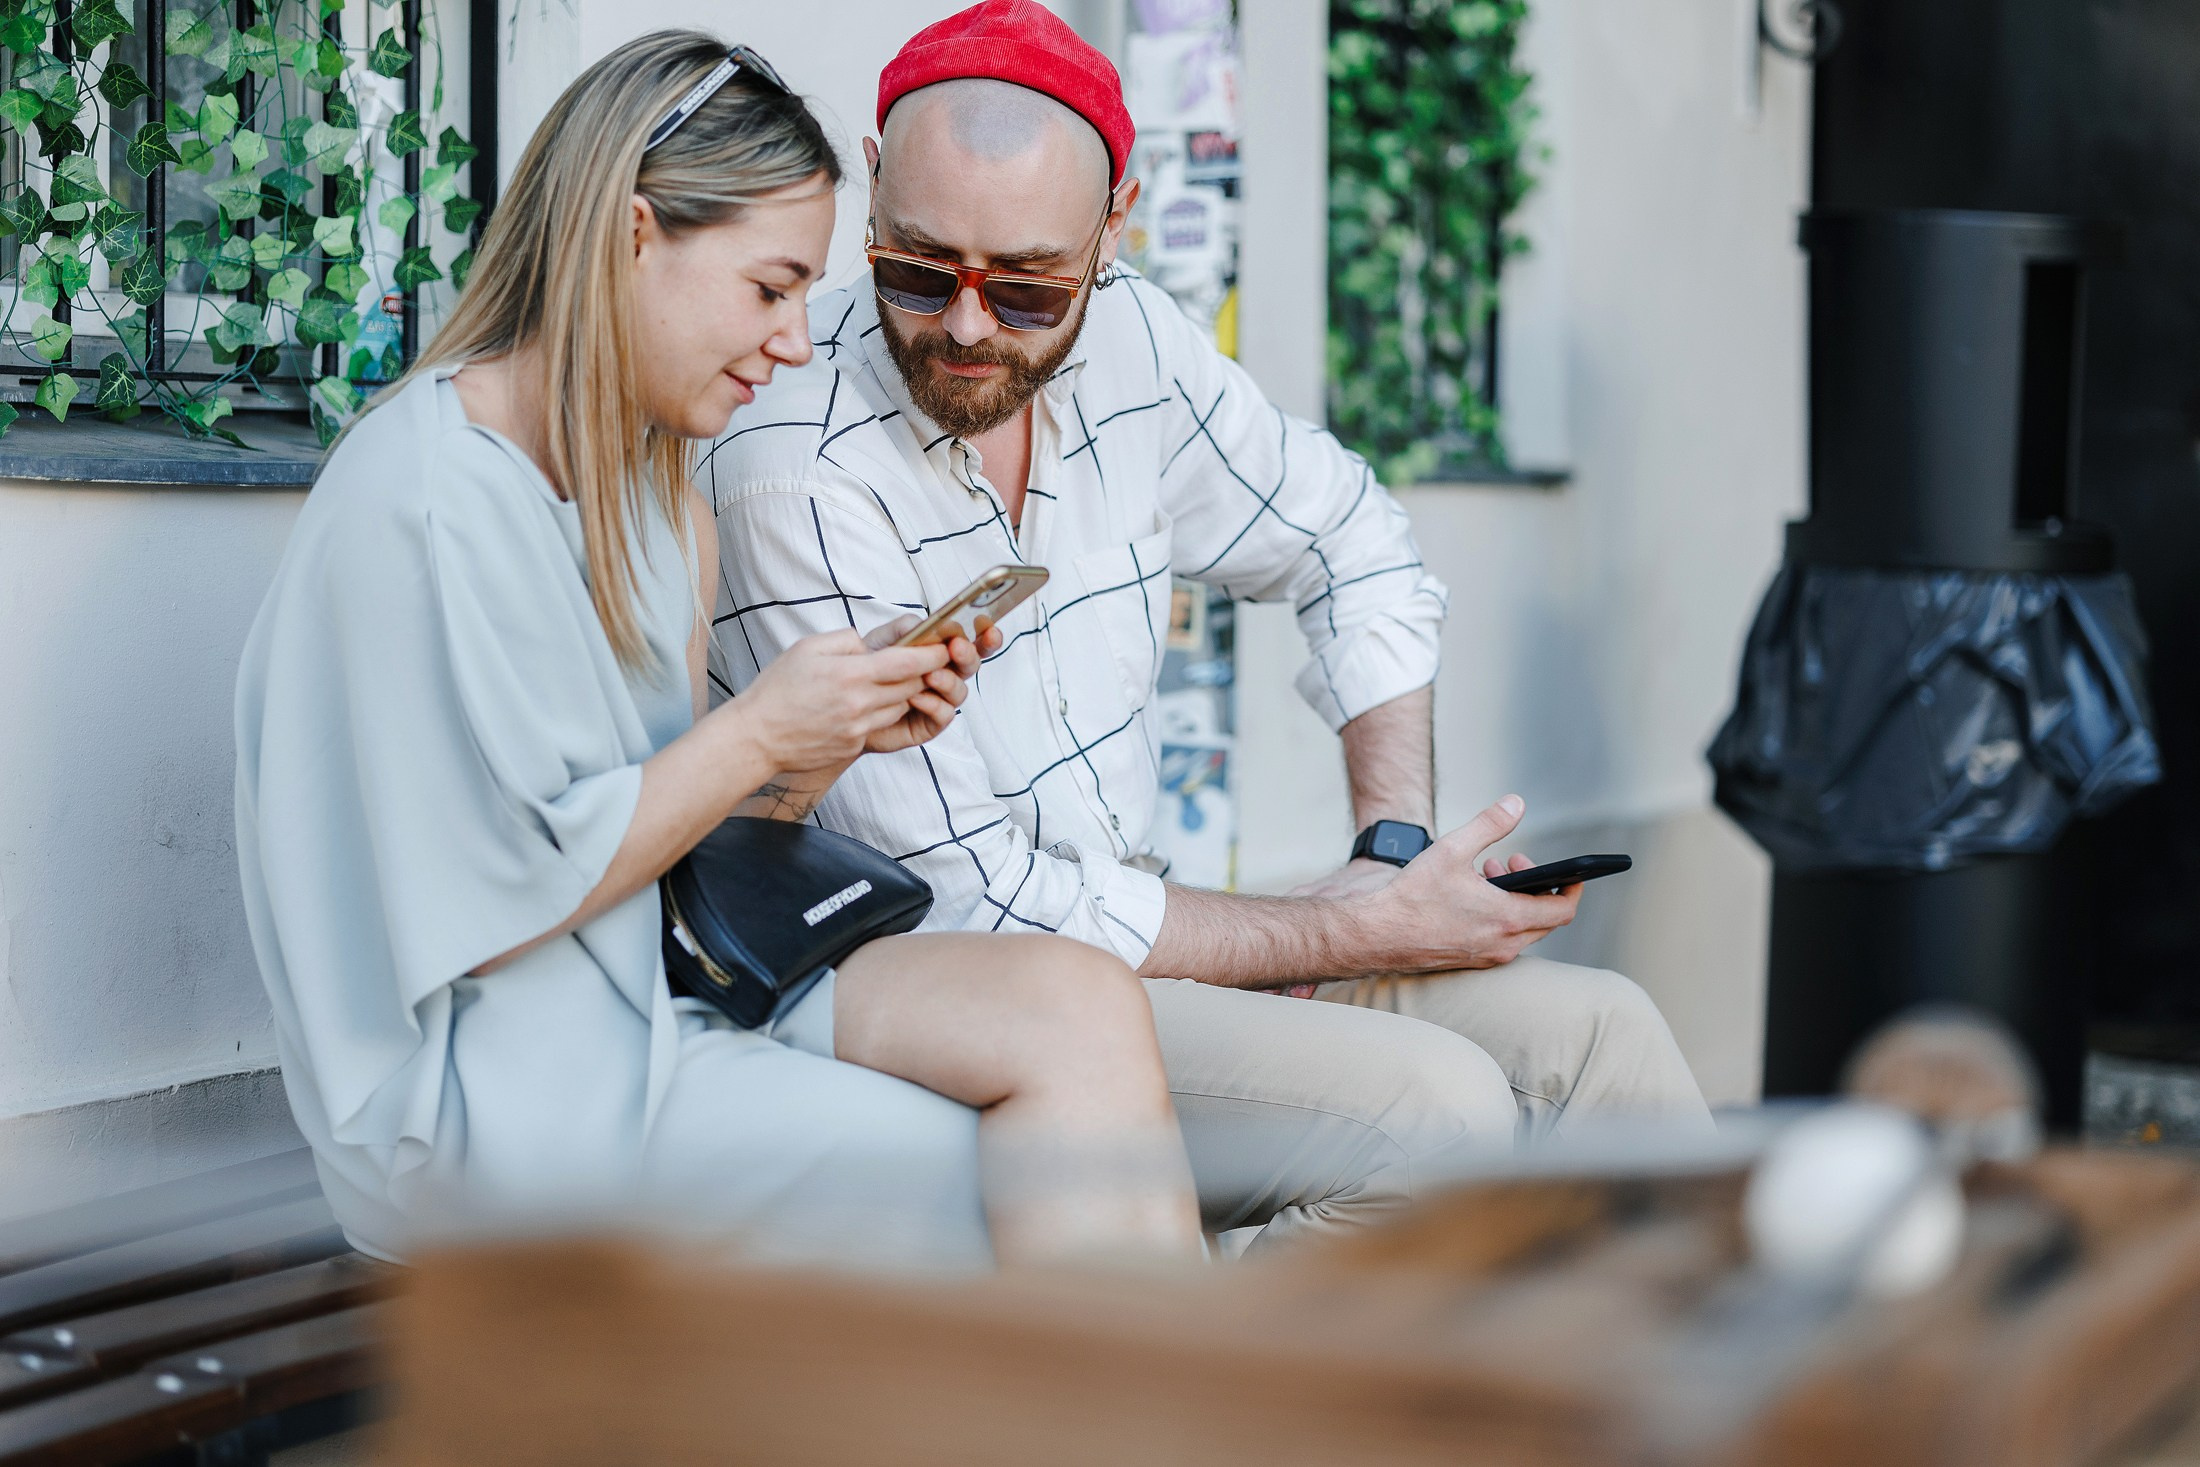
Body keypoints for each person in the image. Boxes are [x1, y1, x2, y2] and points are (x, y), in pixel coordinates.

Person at [703, 0, 1715, 1249]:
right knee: (1439, 1113)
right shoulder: (795, 465)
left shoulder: (1132, 341)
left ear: (1113, 225)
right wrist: (1339, 930)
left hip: (1134, 936)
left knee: (1599, 1038)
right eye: (917, 267)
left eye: (1026, 286)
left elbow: (1350, 540)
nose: (965, 325)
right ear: (872, 187)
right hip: (974, 982)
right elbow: (978, 904)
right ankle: (1179, 1387)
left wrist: (1389, 857)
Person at [233, 30, 1200, 1271]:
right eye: (770, 287)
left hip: (652, 1004)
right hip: (487, 1107)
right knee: (998, 1169)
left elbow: (674, 852)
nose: (796, 342)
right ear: (634, 235)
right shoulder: (421, 504)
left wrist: (824, 739)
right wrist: (756, 732)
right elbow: (496, 903)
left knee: (1079, 1004)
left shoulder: (652, 495)